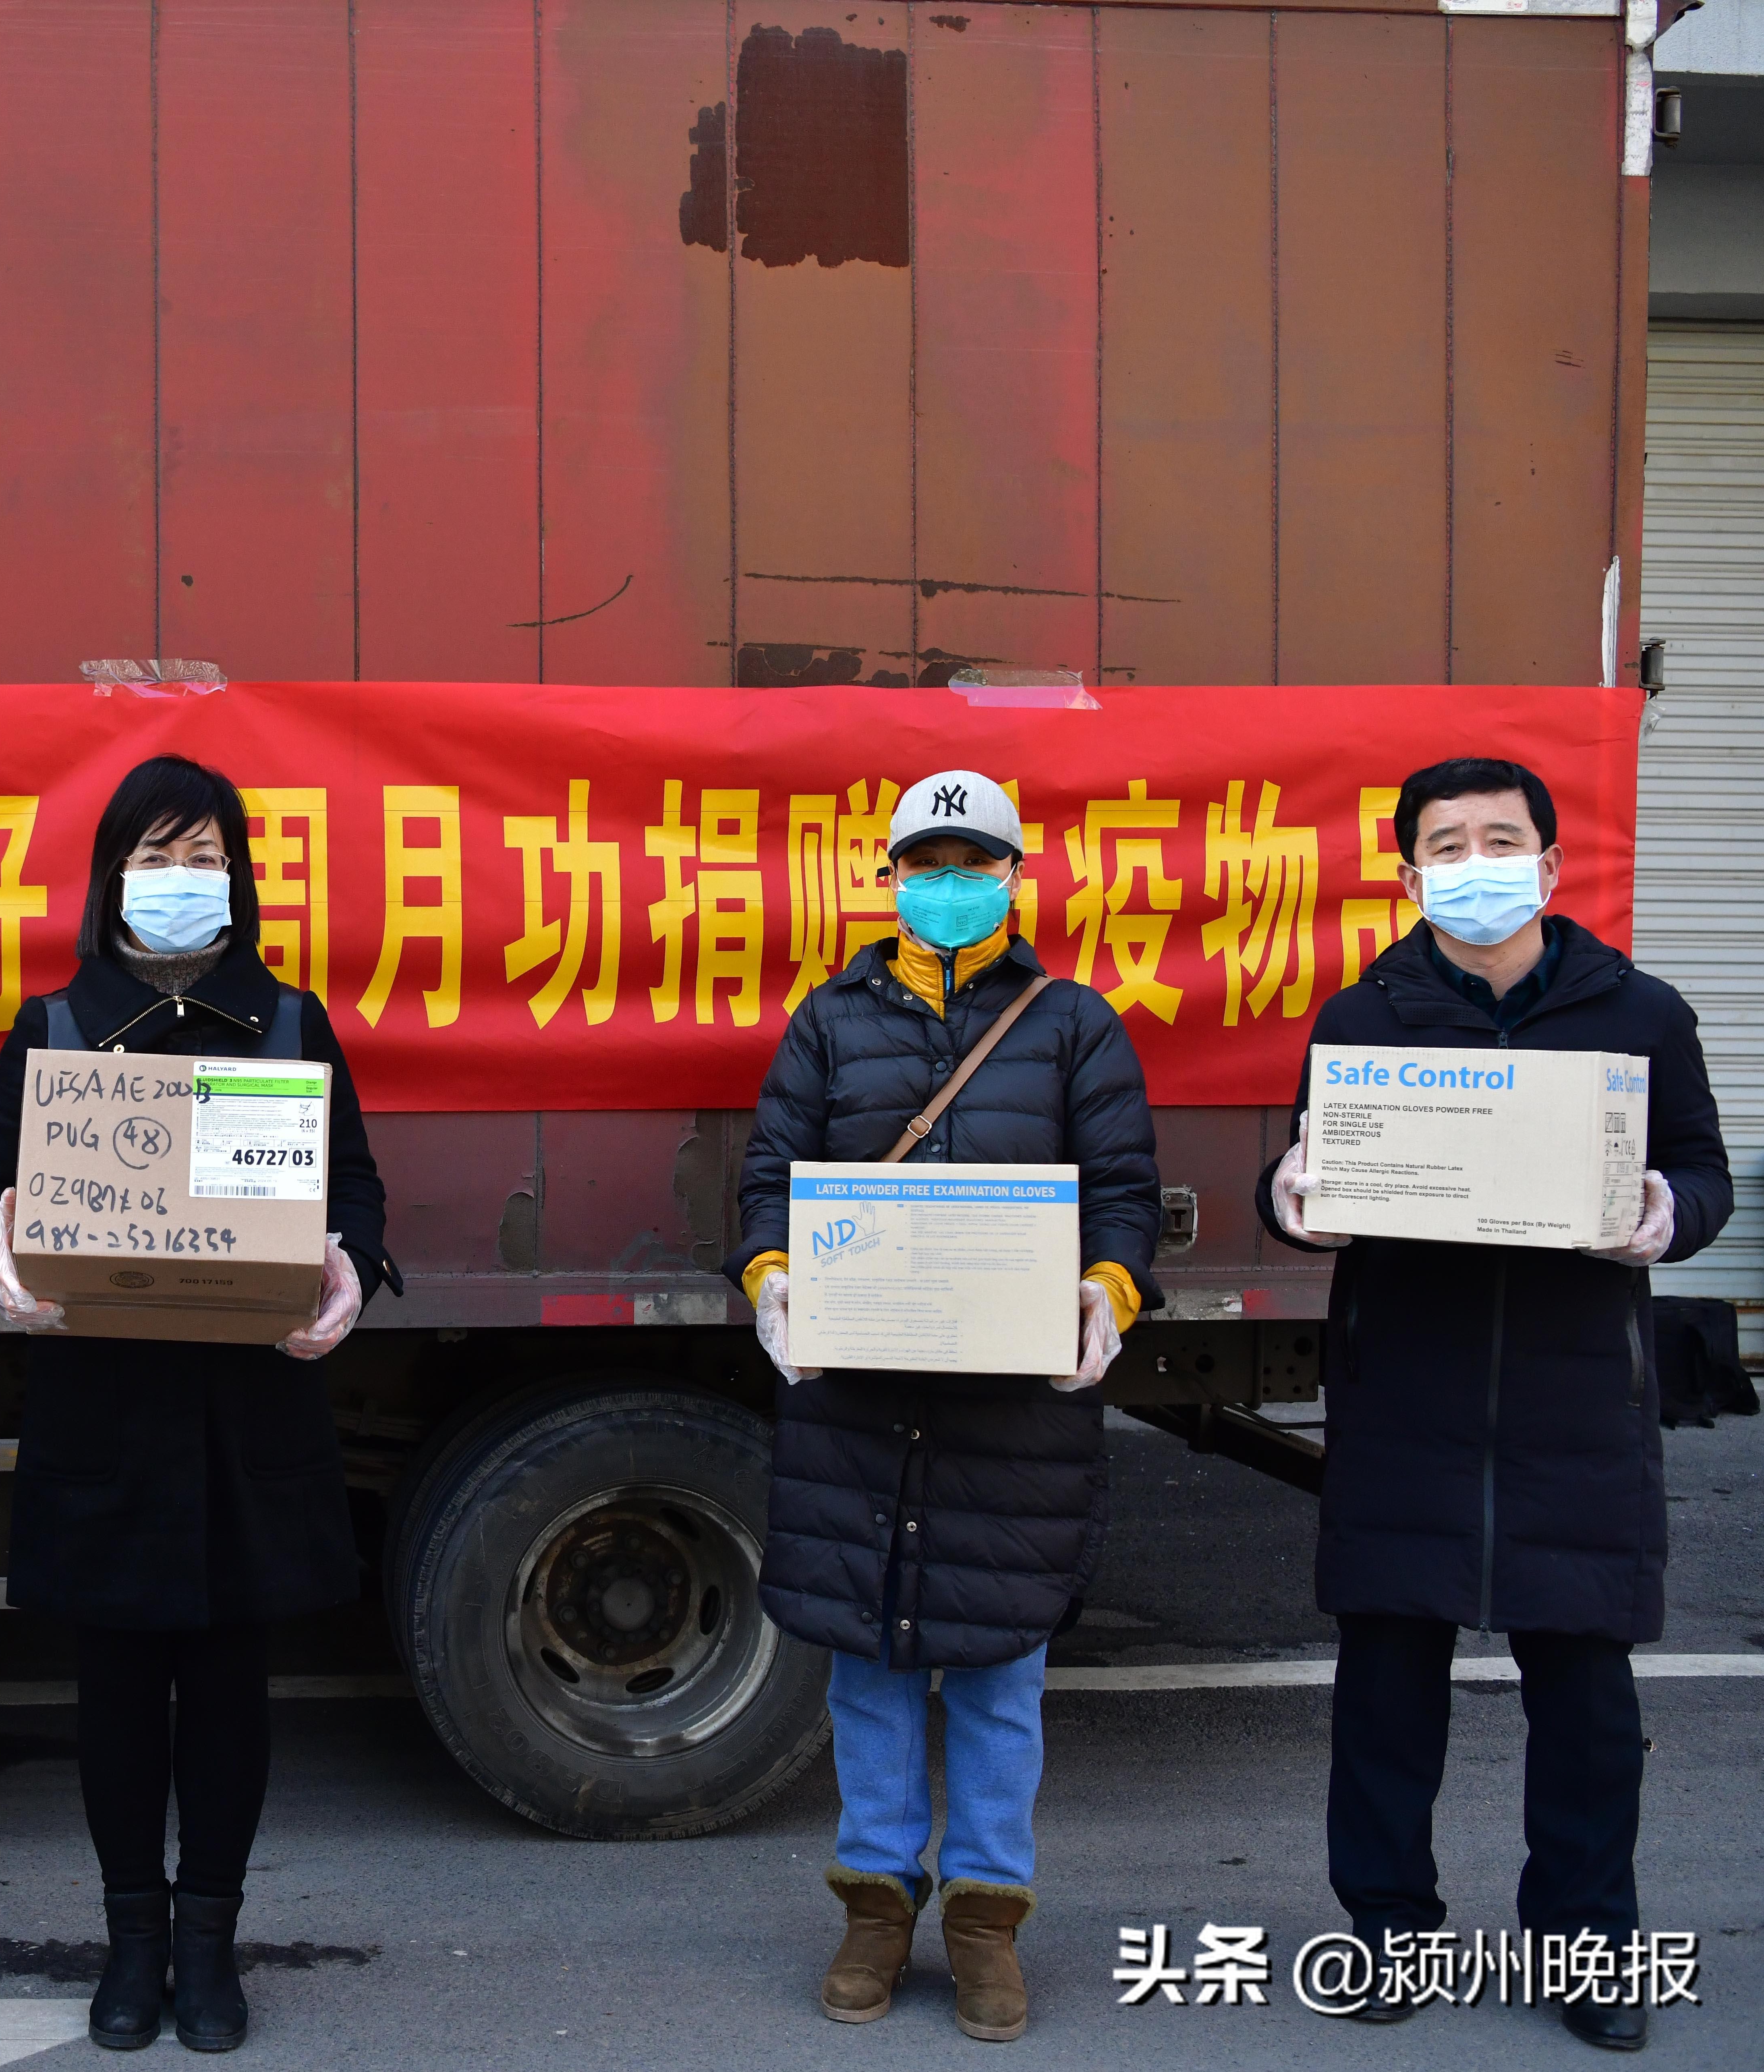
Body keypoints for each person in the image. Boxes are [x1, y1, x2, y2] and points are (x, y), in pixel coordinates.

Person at [1257, 757, 1730, 2051]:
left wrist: (1667, 1216)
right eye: (1448, 845)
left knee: (1586, 1706)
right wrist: (1288, 1199)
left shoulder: (1643, 1014)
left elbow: (1703, 1172)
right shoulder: (1366, 1019)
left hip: (1578, 1411)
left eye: (1500, 839)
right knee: (1384, 1701)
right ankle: (1389, 1936)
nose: (1477, 863)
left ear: (1551, 862)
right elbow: (1305, 1172)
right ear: (1410, 876)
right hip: (1405, 1399)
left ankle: (1590, 1950)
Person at [0, 754, 390, 2055]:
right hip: (106, 1411)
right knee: (119, 1690)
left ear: (241, 877)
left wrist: (347, 1275)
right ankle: (130, 1943)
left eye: (204, 861)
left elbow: (355, 1193)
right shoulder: (56, 1029)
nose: (180, 884)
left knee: (235, 1688)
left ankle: (213, 1944)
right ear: (110, 877)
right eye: (155, 859)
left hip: (251, 1412)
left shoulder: (294, 1023)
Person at [725, 769, 1160, 2045]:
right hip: (859, 1398)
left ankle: (984, 1921)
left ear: (1016, 880)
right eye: (928, 861)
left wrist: (1108, 1293)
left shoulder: (1074, 1024)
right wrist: (772, 1281)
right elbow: (769, 1175)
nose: (949, 883)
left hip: (1011, 1411)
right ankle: (873, 1909)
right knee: (866, 1668)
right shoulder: (829, 1019)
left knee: (996, 1674)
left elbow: (1125, 1187)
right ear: (893, 878)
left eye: (976, 861)